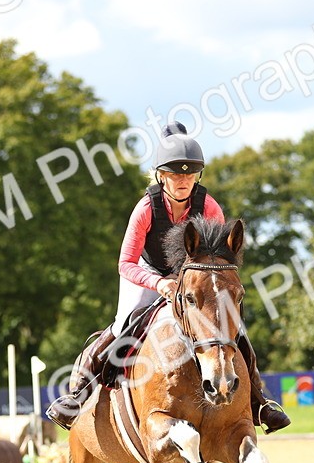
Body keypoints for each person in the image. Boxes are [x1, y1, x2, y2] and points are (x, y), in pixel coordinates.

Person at [47, 121, 290, 434]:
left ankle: (259, 401)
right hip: (146, 275)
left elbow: (216, 261)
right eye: (176, 174)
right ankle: (78, 394)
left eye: (189, 174)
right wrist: (159, 283)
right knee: (126, 323)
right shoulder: (146, 208)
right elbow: (125, 263)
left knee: (231, 325)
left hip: (192, 281)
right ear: (161, 175)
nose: (183, 181)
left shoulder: (209, 206)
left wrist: (197, 286)